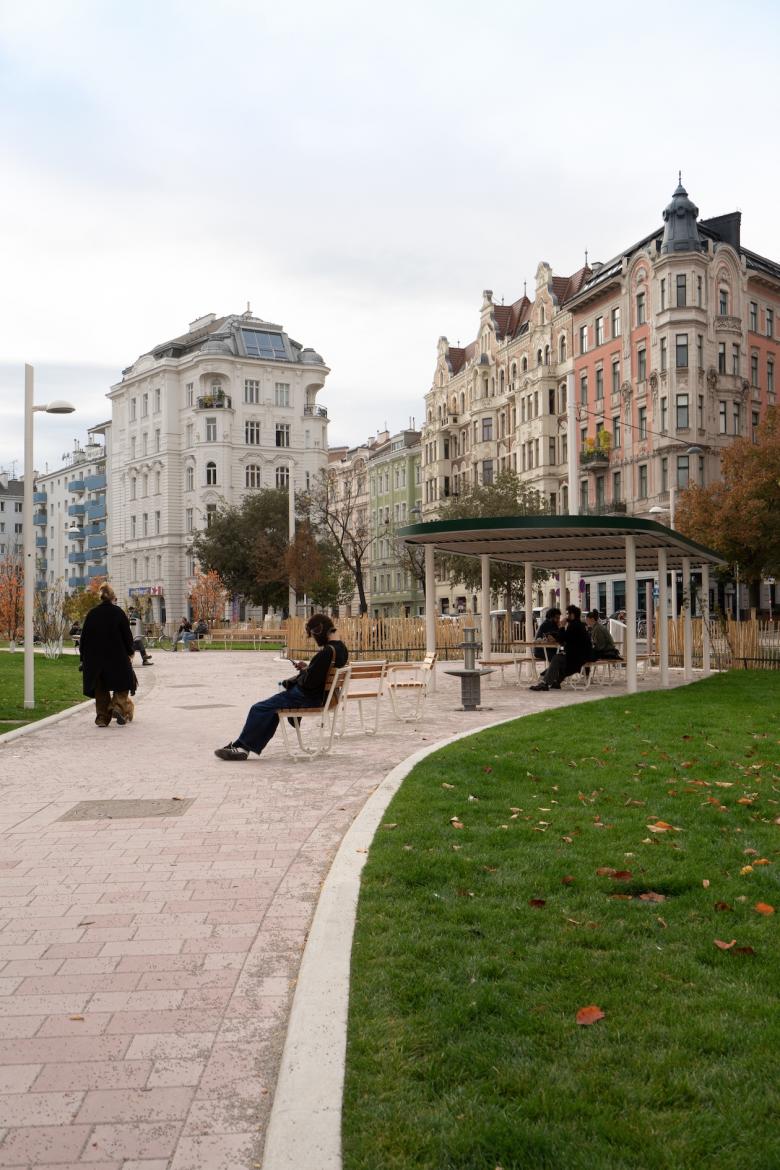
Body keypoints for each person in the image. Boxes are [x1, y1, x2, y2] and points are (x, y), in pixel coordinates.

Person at [214, 613, 349, 761]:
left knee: (258, 708)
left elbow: (309, 684)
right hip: (325, 697)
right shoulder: (341, 649)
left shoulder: (327, 652)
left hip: (308, 698)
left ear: (319, 630)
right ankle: (244, 747)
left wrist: (299, 678)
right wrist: (308, 669)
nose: (315, 639)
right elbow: (320, 674)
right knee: (272, 709)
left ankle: (242, 747)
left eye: (313, 635)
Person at [78, 582, 136, 726]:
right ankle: (118, 706)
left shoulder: (92, 614)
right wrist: (130, 652)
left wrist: (83, 657)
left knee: (100, 688)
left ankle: (102, 717)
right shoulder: (118, 613)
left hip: (95, 660)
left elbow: (83, 638)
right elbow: (127, 636)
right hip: (116, 657)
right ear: (113, 597)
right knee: (124, 681)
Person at [530, 604, 592, 691]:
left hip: (578, 658)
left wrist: (562, 627)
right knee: (559, 658)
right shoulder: (579, 625)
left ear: (572, 615)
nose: (566, 616)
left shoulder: (574, 626)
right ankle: (556, 681)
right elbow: (564, 639)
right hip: (581, 656)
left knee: (557, 659)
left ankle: (545, 683)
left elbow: (562, 639)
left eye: (568, 614)